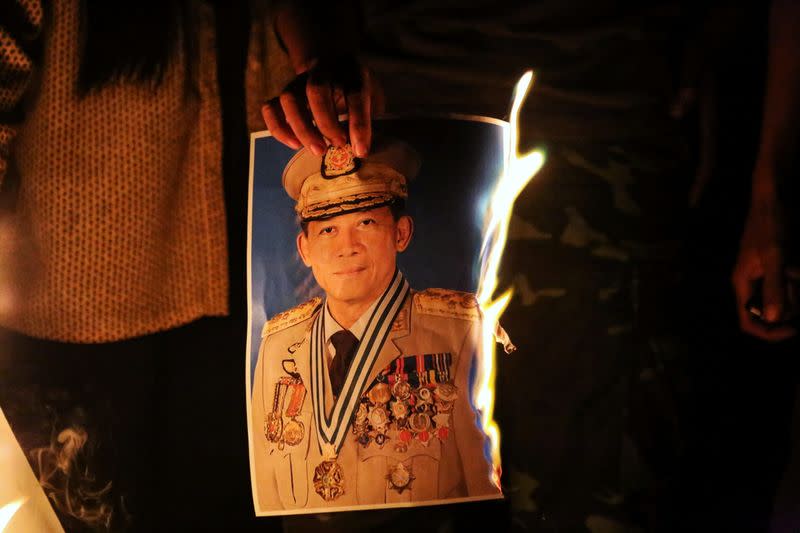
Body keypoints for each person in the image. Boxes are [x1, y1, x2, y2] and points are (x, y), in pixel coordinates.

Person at [250, 140, 503, 512]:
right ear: (304, 249)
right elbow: (267, 490)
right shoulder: (277, 345)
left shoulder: (461, 334)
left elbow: (486, 494)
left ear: (400, 234)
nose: (346, 247)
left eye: (365, 223)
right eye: (328, 230)